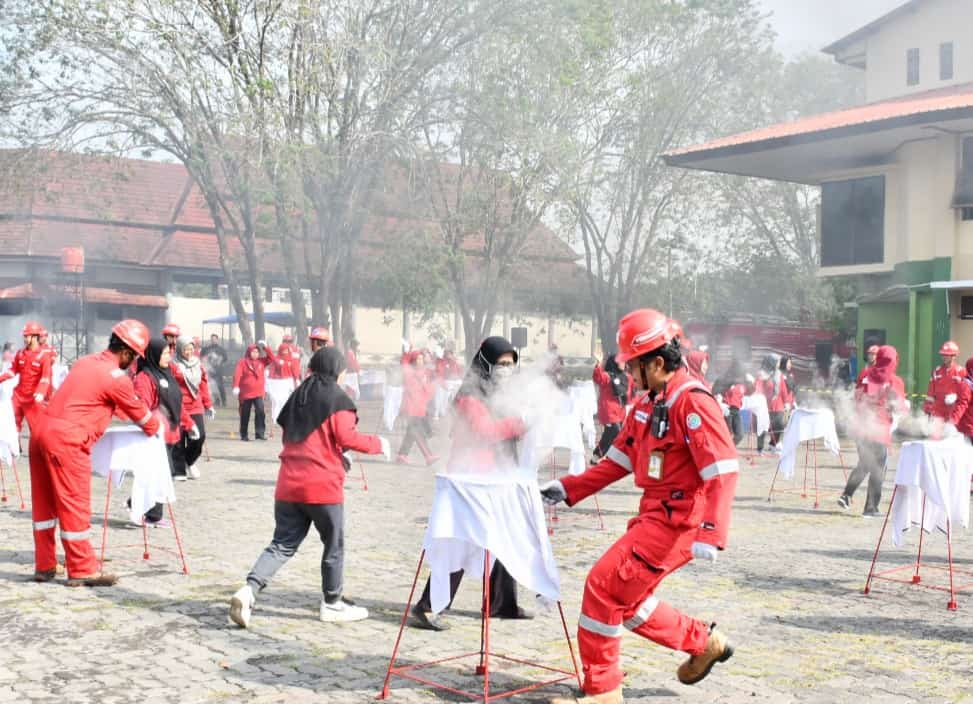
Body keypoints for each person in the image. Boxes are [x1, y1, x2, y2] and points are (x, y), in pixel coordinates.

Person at [540, 309, 738, 704]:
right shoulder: (649, 403)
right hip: (653, 515)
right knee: (624, 600)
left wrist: (712, 532)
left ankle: (603, 691)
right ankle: (703, 642)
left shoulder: (692, 402)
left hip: (678, 522)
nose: (628, 376)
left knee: (602, 587)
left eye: (632, 368)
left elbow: (723, 469)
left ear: (657, 363)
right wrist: (567, 487)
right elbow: (617, 462)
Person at [229, 347, 390, 628]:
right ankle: (332, 603)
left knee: (281, 544)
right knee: (333, 544)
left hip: (288, 484)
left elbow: (301, 438)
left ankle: (249, 590)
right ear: (336, 370)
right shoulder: (338, 399)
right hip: (322, 487)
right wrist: (379, 444)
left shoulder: (298, 396)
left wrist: (335, 453)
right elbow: (346, 436)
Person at [410, 335, 533, 631]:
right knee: (460, 545)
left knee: (505, 539)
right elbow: (485, 431)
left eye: (510, 364)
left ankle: (502, 603)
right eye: (501, 364)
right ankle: (428, 606)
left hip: (496, 476)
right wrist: (520, 423)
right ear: (486, 362)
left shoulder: (500, 393)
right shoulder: (470, 393)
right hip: (471, 477)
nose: (506, 369)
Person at [29, 319, 159, 587]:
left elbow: (91, 399)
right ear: (127, 353)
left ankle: (45, 565)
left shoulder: (85, 362)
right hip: (68, 441)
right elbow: (147, 422)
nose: (133, 363)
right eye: (134, 358)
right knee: (73, 503)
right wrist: (158, 422)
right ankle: (82, 569)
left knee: (44, 505)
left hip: (40, 432)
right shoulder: (116, 379)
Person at [837, 345, 906, 516]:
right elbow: (899, 407)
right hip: (879, 430)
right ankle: (871, 508)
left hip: (861, 428)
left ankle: (847, 495)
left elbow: (856, 398)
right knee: (877, 469)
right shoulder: (894, 380)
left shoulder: (865, 374)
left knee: (864, 464)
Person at [133, 338, 195, 521]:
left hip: (171, 434)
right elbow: (141, 407)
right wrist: (152, 425)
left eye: (169, 353)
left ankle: (140, 507)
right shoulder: (145, 378)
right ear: (154, 355)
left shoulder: (167, 374)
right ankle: (150, 514)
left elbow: (177, 403)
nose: (169, 357)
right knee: (159, 474)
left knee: (163, 473)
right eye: (165, 353)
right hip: (154, 435)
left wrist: (189, 424)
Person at [171, 336, 214, 480]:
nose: (189, 352)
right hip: (178, 404)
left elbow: (203, 386)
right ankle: (178, 469)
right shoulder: (173, 364)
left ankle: (189, 461)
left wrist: (208, 405)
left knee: (199, 436)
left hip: (195, 405)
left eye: (191, 348)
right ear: (179, 350)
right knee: (179, 439)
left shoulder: (198, 364)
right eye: (185, 349)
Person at [0, 321, 54, 433]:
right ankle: (14, 449)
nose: (24, 338)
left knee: (36, 428)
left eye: (26, 336)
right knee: (12, 425)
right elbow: (12, 371)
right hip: (18, 396)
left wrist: (41, 391)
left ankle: (36, 449)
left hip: (33, 398)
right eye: (24, 336)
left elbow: (46, 376)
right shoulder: (20, 353)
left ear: (35, 337)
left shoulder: (44, 356)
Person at [396, 351, 438, 465]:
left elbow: (427, 392)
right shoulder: (409, 373)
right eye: (418, 359)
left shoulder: (424, 373)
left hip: (420, 407)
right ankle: (428, 456)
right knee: (416, 432)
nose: (421, 361)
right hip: (411, 407)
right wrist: (408, 352)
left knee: (411, 433)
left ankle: (402, 455)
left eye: (421, 359)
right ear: (413, 361)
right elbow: (404, 362)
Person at [591, 353, 631, 464]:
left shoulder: (625, 376)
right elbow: (598, 377)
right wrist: (598, 364)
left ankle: (598, 456)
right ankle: (602, 455)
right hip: (608, 411)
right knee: (614, 431)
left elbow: (631, 390)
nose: (623, 363)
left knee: (613, 434)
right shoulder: (608, 376)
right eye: (621, 361)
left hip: (620, 412)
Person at [232, 341, 276, 441]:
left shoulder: (261, 361)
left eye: (257, 352)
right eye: (253, 352)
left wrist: (266, 347)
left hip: (258, 393)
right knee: (245, 413)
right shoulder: (242, 362)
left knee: (260, 412)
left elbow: (272, 359)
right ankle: (244, 434)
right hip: (245, 393)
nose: (255, 354)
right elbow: (237, 374)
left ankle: (259, 433)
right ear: (249, 352)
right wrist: (236, 386)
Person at [922, 340, 969, 425]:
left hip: (954, 416)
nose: (944, 357)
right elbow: (930, 395)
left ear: (953, 356)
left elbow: (965, 399)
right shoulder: (937, 372)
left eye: (947, 355)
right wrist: (927, 411)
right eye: (943, 354)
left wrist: (956, 397)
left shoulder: (962, 372)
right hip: (937, 416)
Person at [755, 354, 789, 455]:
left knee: (779, 426)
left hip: (778, 405)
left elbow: (783, 389)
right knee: (763, 426)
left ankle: (773, 445)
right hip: (765, 405)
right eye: (777, 361)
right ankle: (760, 448)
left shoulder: (779, 374)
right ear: (771, 362)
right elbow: (758, 387)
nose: (779, 364)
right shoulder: (762, 374)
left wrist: (786, 402)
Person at [201, 334, 228, 407]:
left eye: (214, 339)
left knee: (220, 386)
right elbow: (202, 355)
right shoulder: (207, 348)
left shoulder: (221, 349)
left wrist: (220, 360)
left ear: (217, 339)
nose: (213, 340)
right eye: (212, 339)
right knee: (212, 387)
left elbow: (225, 358)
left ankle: (224, 401)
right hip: (209, 371)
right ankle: (217, 401)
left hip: (218, 371)